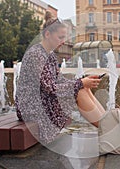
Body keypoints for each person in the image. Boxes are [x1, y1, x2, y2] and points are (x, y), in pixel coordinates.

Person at [15, 11, 105, 144]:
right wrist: (79, 83)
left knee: (83, 88)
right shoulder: (36, 54)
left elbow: (59, 80)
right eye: (60, 37)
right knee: (79, 90)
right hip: (31, 107)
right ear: (47, 34)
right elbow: (49, 88)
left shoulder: (49, 54)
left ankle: (109, 126)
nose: (63, 42)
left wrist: (83, 81)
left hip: (41, 100)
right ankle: (110, 131)